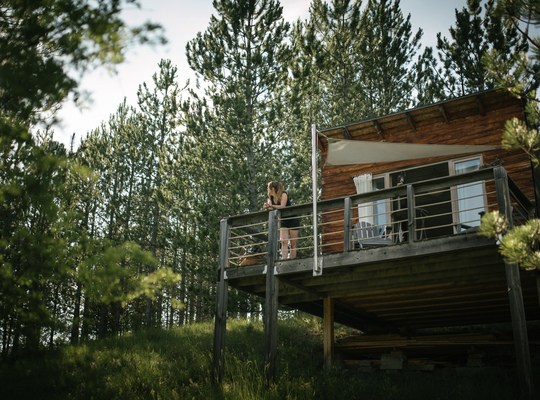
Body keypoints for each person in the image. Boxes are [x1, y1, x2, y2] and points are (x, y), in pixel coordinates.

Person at [263, 181, 300, 259]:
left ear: (272, 188)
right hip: (283, 220)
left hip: (292, 219)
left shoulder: (283, 194)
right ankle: (284, 259)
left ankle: (292, 260)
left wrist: (271, 205)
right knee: (283, 241)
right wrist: (267, 207)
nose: (267, 189)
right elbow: (270, 209)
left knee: (293, 243)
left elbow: (282, 206)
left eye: (268, 187)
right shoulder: (270, 198)